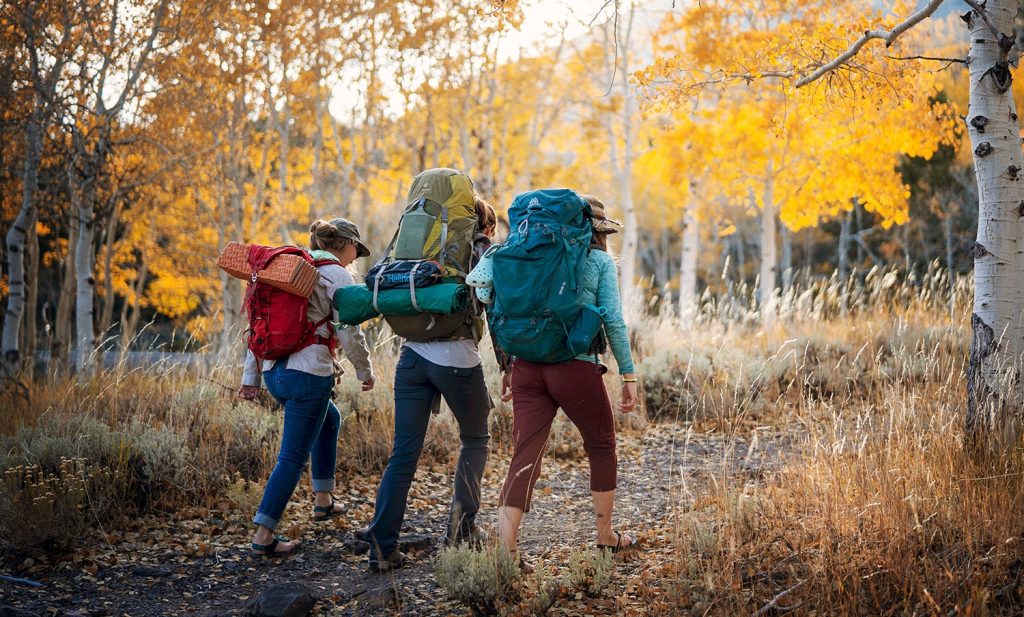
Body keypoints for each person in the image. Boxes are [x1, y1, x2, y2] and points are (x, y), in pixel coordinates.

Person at [362, 195, 508, 572]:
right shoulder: (480, 249)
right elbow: (493, 308)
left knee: (403, 454)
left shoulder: (420, 246)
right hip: (457, 358)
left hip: (411, 358)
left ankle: (381, 545)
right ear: (485, 227)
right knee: (475, 440)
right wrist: (507, 363)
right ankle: (460, 531)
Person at [496, 194, 639, 567]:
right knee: (601, 445)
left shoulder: (526, 257)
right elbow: (613, 321)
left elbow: (500, 306)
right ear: (598, 231)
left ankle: (506, 551)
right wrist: (628, 373)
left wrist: (507, 366)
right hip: (573, 367)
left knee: (525, 453)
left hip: (526, 365)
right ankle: (605, 536)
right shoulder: (600, 261)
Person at [239, 218, 376, 558]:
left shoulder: (288, 268)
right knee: (292, 457)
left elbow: (259, 324)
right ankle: (263, 535)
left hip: (275, 373)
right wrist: (364, 369)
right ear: (345, 245)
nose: (355, 257)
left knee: (329, 420)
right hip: (308, 376)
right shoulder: (337, 275)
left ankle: (324, 501)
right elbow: (349, 331)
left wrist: (250, 379)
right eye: (355, 250)